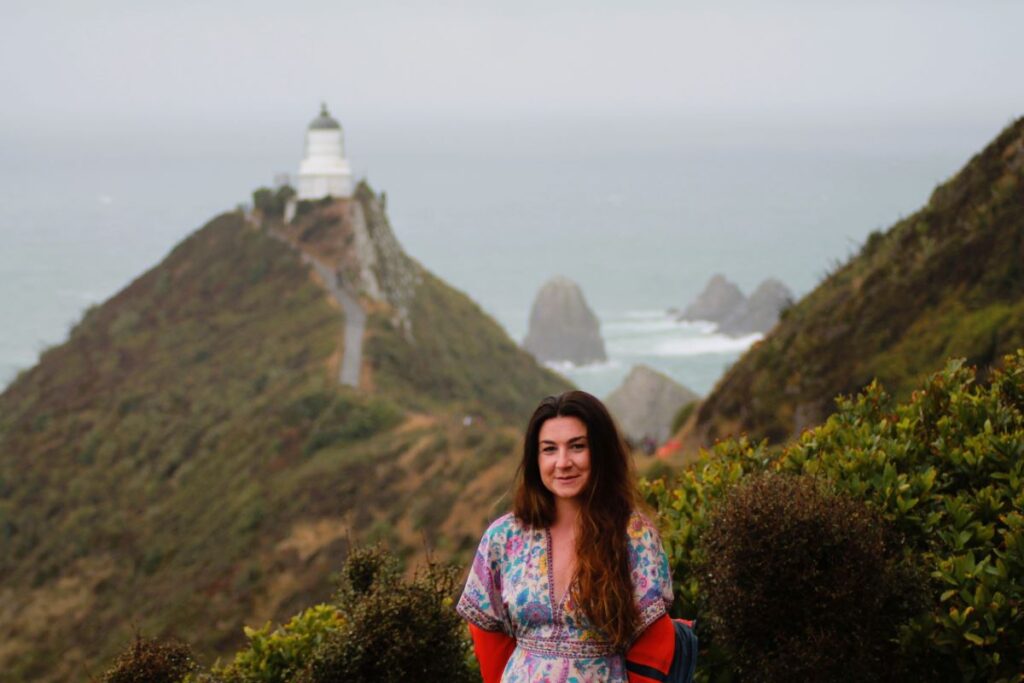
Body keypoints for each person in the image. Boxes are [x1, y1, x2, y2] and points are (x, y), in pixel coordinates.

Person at [457, 391, 692, 682]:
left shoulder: (634, 537)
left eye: (577, 446)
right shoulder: (504, 537)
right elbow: (485, 627)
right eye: (549, 449)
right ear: (535, 458)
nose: (563, 462)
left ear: (601, 452)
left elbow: (653, 640)